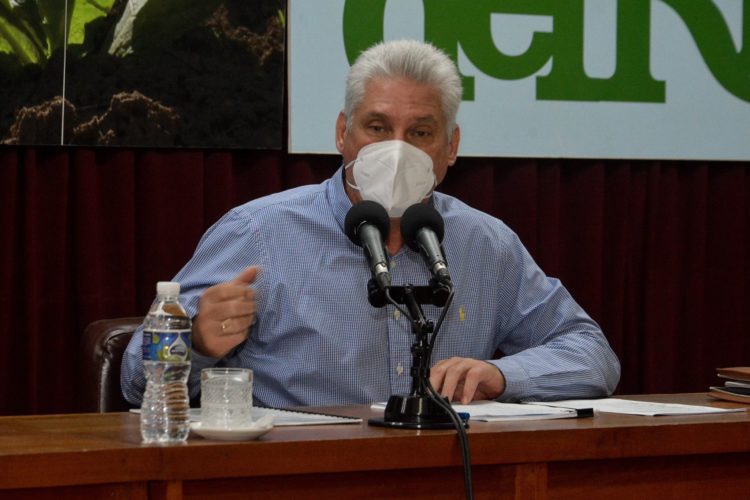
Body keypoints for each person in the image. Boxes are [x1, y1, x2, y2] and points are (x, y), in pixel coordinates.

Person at [121, 39, 620, 408]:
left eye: (420, 132)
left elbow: (593, 355)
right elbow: (134, 382)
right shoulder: (258, 233)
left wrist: (502, 376)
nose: (396, 150)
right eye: (378, 127)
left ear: (451, 147)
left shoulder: (485, 243)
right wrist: (196, 343)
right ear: (343, 133)